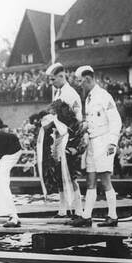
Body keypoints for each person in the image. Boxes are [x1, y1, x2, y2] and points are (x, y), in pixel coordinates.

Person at [71, 65, 122, 227]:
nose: (79, 84)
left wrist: (113, 142)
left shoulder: (103, 96)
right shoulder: (89, 97)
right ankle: (86, 216)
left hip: (104, 142)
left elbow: (115, 120)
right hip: (93, 142)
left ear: (87, 79)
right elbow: (93, 120)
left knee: (105, 180)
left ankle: (113, 216)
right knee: (90, 179)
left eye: (80, 81)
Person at [44, 62, 84, 217]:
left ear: (61, 76)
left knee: (70, 174)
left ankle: (79, 210)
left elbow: (78, 119)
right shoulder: (58, 92)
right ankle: (63, 209)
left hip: (70, 138)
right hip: (58, 138)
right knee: (58, 174)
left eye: (53, 79)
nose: (51, 83)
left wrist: (74, 142)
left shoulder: (71, 93)